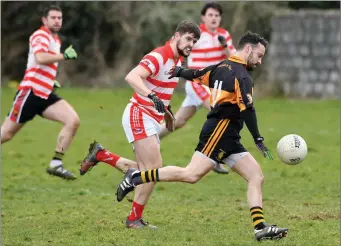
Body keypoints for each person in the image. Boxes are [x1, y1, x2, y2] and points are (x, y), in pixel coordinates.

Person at [115, 30, 289, 241]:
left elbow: (198, 74)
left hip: (230, 136)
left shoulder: (222, 66)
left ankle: (260, 227)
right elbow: (248, 110)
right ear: (248, 49)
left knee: (256, 176)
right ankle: (136, 176)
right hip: (219, 133)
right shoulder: (242, 76)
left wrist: (179, 71)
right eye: (259, 55)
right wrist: (258, 138)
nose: (260, 61)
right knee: (191, 175)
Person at [80, 20, 201, 229]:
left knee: (147, 171)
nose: (191, 44)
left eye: (195, 41)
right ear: (177, 36)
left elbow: (161, 88)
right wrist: (150, 95)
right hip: (139, 114)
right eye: (189, 38)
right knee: (154, 170)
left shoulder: (177, 62)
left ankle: (102, 155)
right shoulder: (159, 55)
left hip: (151, 118)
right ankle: (133, 219)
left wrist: (168, 112)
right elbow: (132, 77)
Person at [1, 4, 79, 180]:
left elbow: (43, 65)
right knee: (6, 134)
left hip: (45, 94)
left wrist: (51, 81)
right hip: (30, 93)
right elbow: (40, 58)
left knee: (72, 120)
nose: (57, 21)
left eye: (59, 18)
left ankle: (56, 164)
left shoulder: (55, 39)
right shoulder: (40, 35)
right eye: (53, 17)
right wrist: (64, 56)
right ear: (45, 20)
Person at [159, 2, 236, 174]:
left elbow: (235, 59)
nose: (214, 18)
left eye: (217, 15)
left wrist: (224, 46)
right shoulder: (197, 35)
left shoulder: (224, 35)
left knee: (178, 122)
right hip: (197, 83)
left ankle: (151, 138)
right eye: (210, 15)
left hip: (215, 86)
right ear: (203, 17)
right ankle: (213, 157)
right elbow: (178, 46)